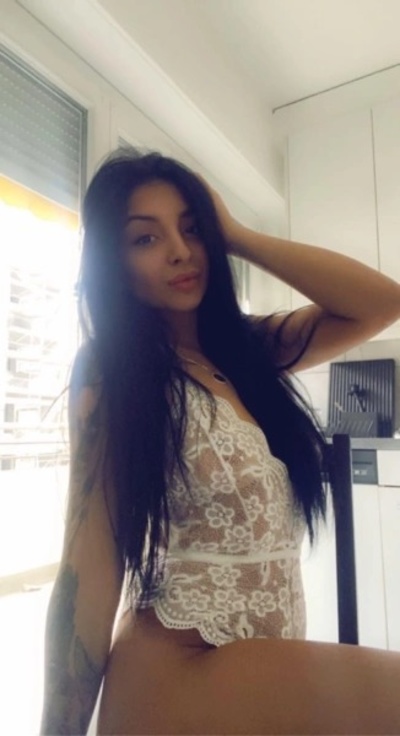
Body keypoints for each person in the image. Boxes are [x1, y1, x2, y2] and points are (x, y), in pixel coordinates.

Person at [40, 146, 400, 735]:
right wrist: (59, 729)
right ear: (115, 262)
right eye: (146, 238)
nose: (180, 251)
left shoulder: (250, 352)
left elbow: (381, 302)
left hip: (259, 665)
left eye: (191, 228)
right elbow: (90, 562)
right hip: (176, 671)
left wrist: (235, 234)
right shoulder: (112, 371)